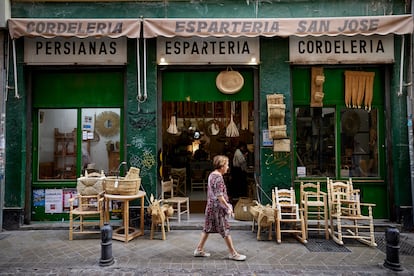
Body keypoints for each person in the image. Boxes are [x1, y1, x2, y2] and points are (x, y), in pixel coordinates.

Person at [193, 155, 247, 261]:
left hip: (210, 207)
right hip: (217, 209)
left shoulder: (211, 175)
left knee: (207, 229)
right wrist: (229, 207)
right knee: (225, 230)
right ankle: (233, 253)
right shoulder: (218, 177)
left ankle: (199, 249)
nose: (228, 167)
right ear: (222, 166)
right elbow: (220, 196)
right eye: (226, 165)